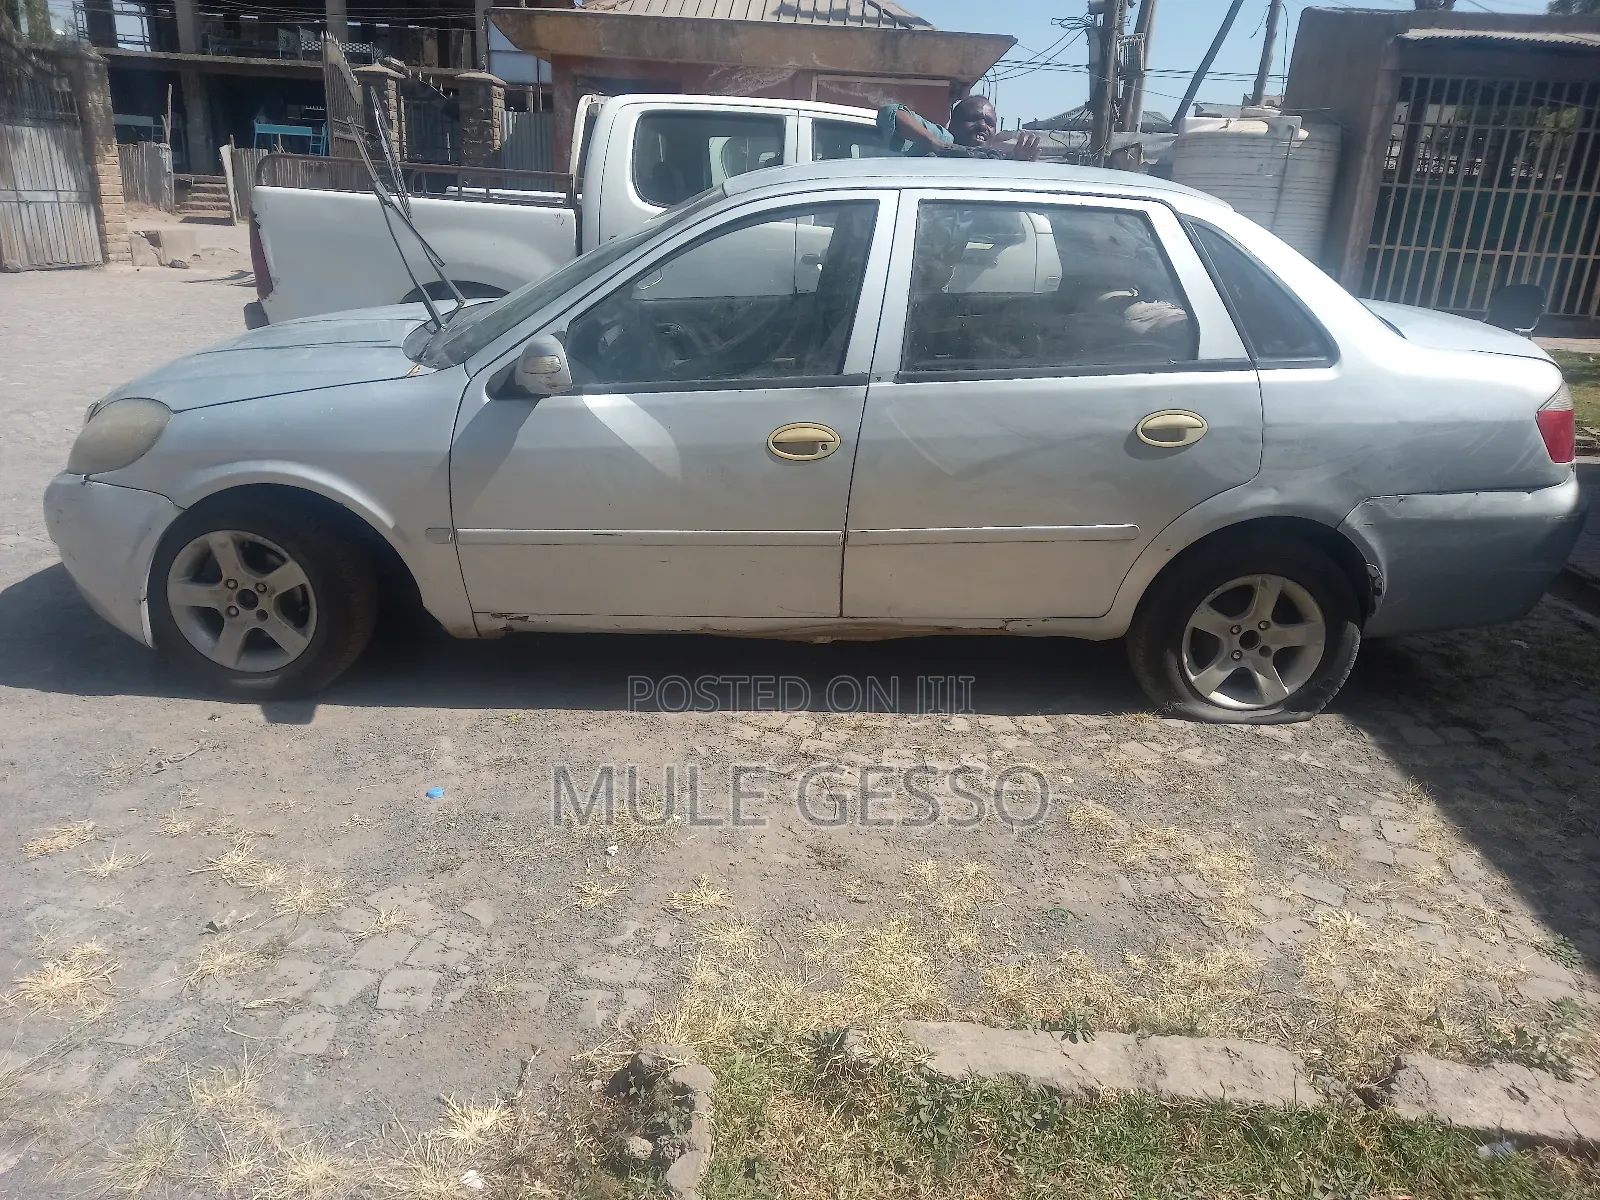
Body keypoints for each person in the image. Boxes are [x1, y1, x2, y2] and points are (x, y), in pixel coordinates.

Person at [878, 94, 1041, 161]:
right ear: (952, 124)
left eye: (990, 122)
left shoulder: (992, 158)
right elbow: (892, 112)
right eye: (973, 119)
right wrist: (939, 146)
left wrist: (1014, 163)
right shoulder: (945, 139)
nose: (983, 125)